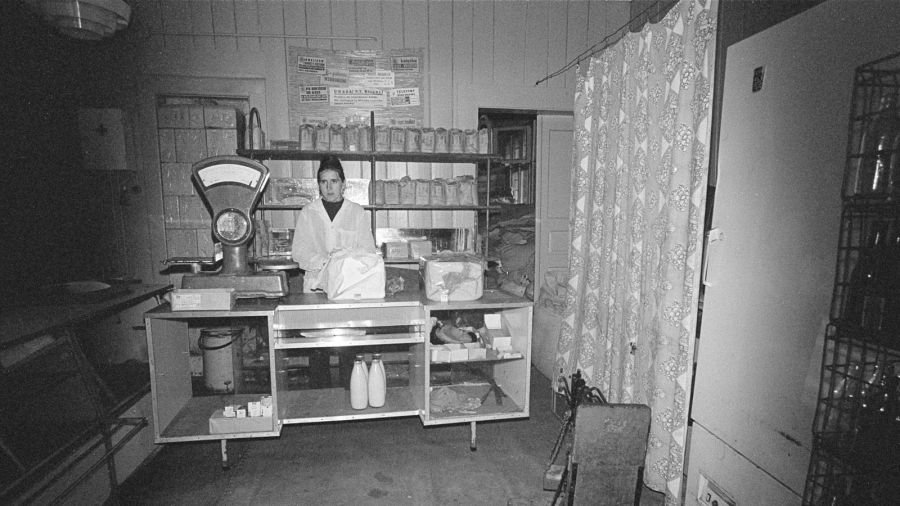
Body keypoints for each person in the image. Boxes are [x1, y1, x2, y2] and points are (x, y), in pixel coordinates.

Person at [291, 155, 375, 293]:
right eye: (324, 182)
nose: (329, 187)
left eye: (334, 181)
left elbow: (368, 251)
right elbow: (299, 252)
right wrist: (325, 262)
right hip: (315, 286)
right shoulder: (308, 212)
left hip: (348, 284)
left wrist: (343, 260)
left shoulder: (356, 212)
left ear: (343, 184)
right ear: (319, 185)